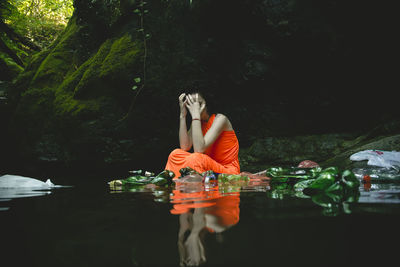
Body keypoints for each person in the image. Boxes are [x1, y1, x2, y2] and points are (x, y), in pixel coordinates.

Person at [165, 92, 240, 178]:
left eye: (199, 103)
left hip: (227, 169)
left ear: (206, 103)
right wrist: (183, 115)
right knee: (175, 154)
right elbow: (184, 147)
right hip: (207, 164)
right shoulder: (197, 122)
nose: (195, 107)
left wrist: (195, 116)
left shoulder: (220, 119)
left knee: (196, 158)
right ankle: (173, 180)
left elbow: (199, 149)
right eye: (191, 104)